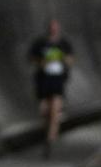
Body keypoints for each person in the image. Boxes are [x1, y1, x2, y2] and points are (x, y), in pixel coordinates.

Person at [28, 19, 73, 156]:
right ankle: (47, 132)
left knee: (54, 110)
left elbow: (71, 60)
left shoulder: (63, 44)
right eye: (51, 27)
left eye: (55, 27)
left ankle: (50, 139)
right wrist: (43, 61)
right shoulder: (40, 43)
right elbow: (31, 58)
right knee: (44, 110)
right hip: (43, 80)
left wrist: (62, 58)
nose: (53, 29)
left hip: (57, 80)